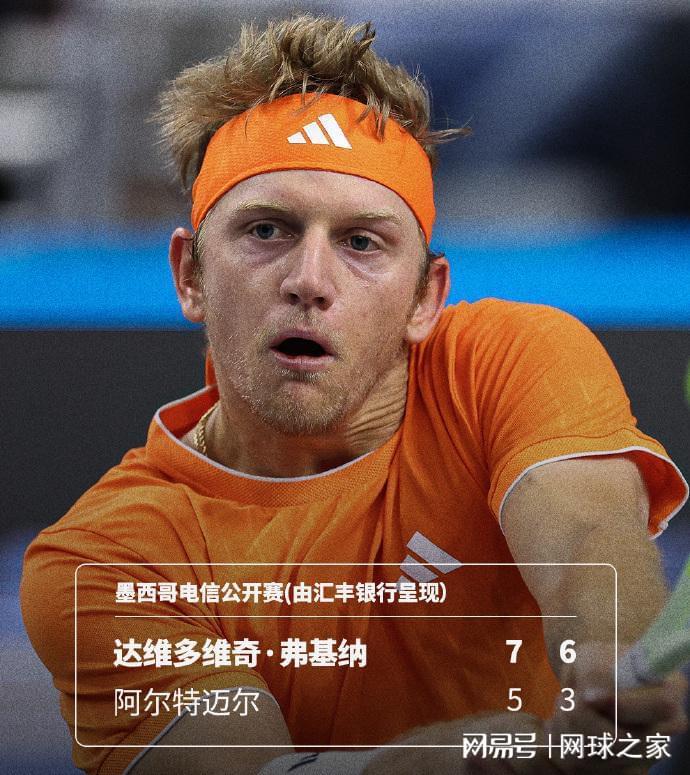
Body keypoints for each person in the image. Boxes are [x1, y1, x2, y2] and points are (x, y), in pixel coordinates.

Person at [20, 14, 688, 775]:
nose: (310, 280)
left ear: (425, 299)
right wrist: (470, 761)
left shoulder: (509, 356)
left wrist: (606, 658)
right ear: (190, 275)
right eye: (266, 231)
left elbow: (586, 545)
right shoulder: (102, 562)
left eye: (362, 242)